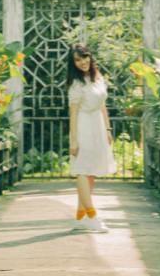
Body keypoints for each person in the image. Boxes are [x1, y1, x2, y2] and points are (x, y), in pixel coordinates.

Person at [66, 43, 116, 232]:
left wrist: (107, 129)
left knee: (91, 171)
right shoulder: (76, 84)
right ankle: (92, 215)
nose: (82, 62)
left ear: (90, 56)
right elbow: (74, 114)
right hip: (83, 127)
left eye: (83, 57)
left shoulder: (97, 77)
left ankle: (80, 218)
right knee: (83, 169)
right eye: (77, 60)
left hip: (97, 126)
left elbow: (103, 105)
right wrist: (73, 140)